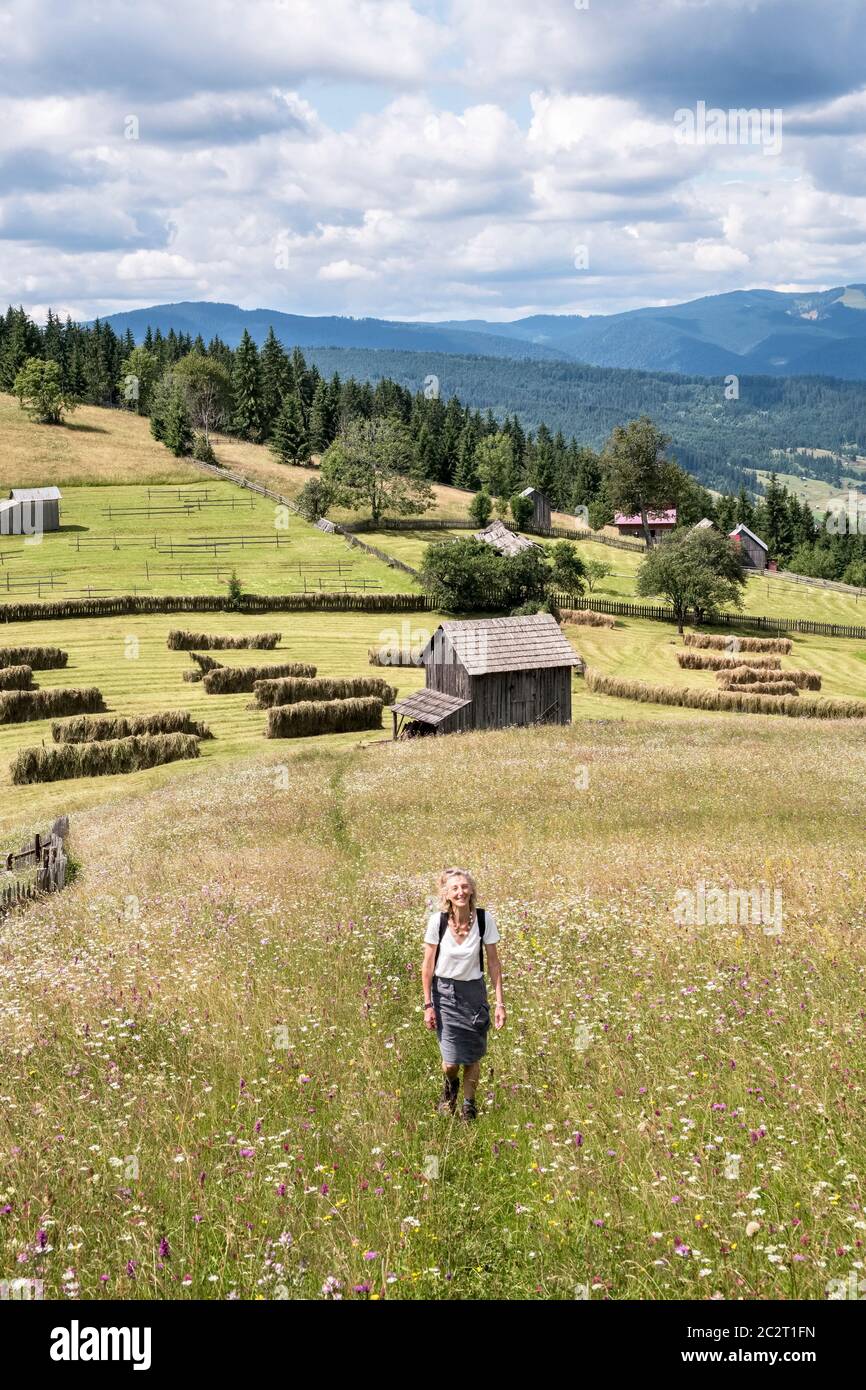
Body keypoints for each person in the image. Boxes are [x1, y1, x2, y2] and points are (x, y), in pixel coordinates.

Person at [422, 867, 505, 1121]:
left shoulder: (483, 919)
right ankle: (451, 1086)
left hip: (474, 994)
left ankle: (469, 1106)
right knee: (450, 1062)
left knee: (472, 1055)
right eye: (455, 888)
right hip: (444, 994)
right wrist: (428, 1004)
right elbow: (427, 965)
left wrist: (500, 1003)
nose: (461, 892)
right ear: (446, 894)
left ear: (472, 890)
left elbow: (493, 963)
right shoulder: (438, 922)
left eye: (465, 887)